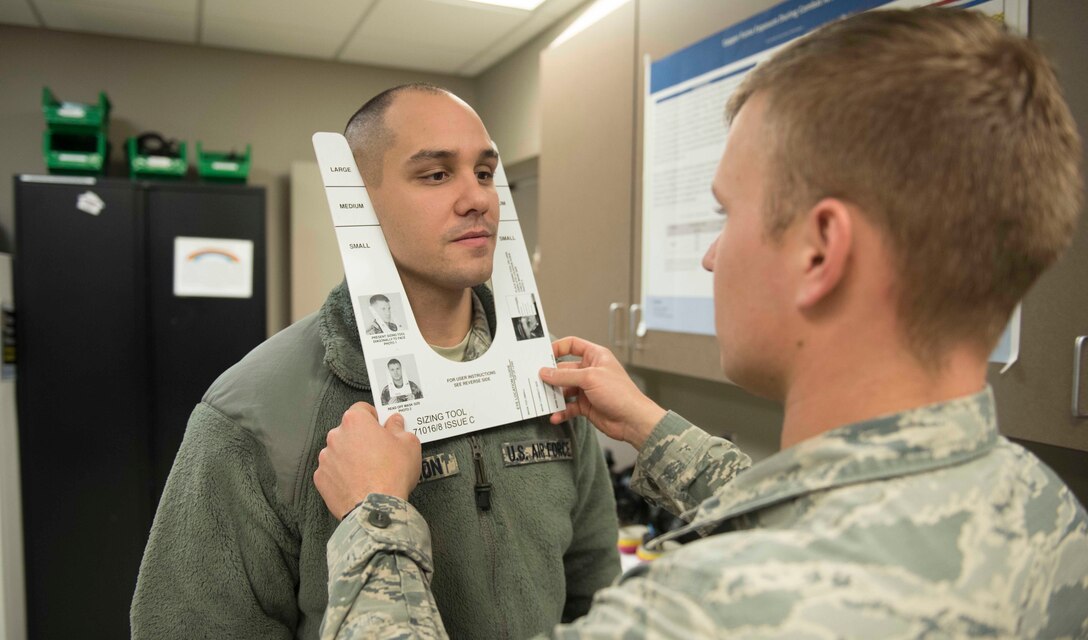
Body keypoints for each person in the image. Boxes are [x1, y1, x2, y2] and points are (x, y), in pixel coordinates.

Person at [313, 9, 1088, 638]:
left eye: (729, 214)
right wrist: (656, 430)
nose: (714, 256)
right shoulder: (1045, 513)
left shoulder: (707, 613)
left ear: (821, 250)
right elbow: (817, 510)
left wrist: (376, 520)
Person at [130, 84, 620, 639]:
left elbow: (595, 589)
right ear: (356, 202)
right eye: (436, 175)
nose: (477, 198)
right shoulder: (253, 413)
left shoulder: (546, 378)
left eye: (484, 173)